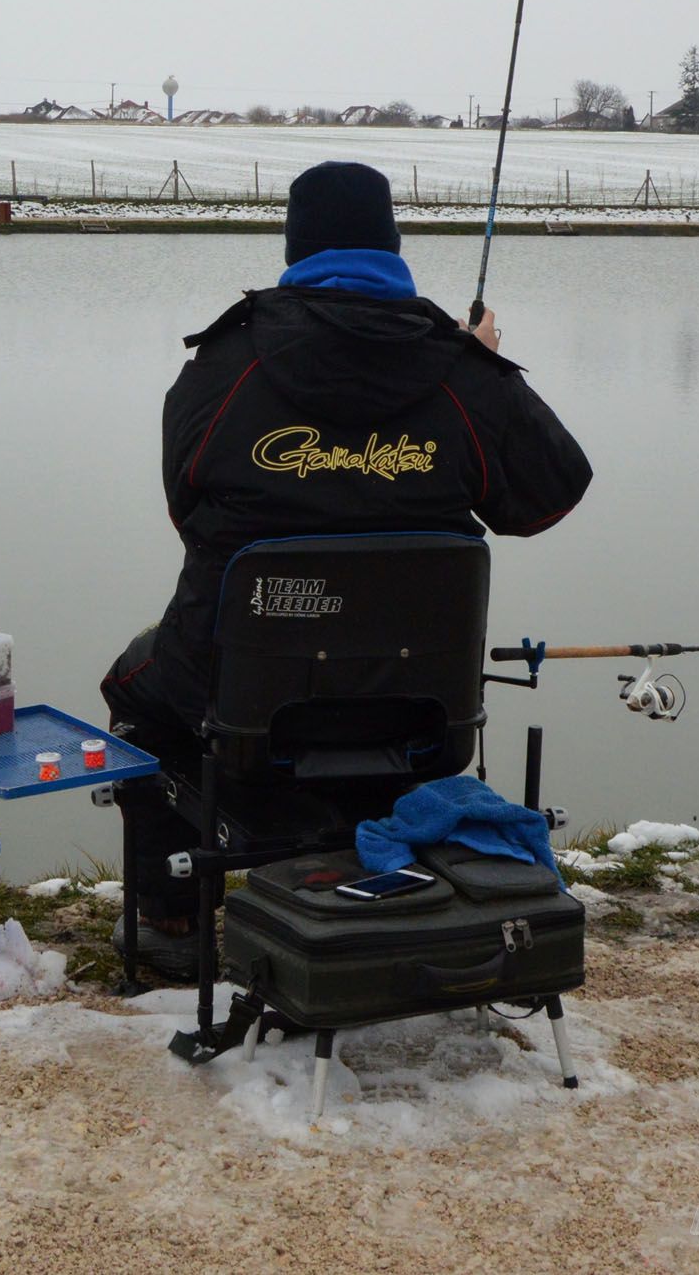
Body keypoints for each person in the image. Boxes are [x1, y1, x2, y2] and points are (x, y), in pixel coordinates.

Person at [101, 160, 591, 974]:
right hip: (422, 713)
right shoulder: (463, 371)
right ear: (391, 243)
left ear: (295, 246)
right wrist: (485, 368)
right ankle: (369, 862)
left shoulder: (226, 363)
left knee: (135, 686)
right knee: (352, 682)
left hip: (241, 694)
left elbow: (187, 513)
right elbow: (548, 498)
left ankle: (174, 924)